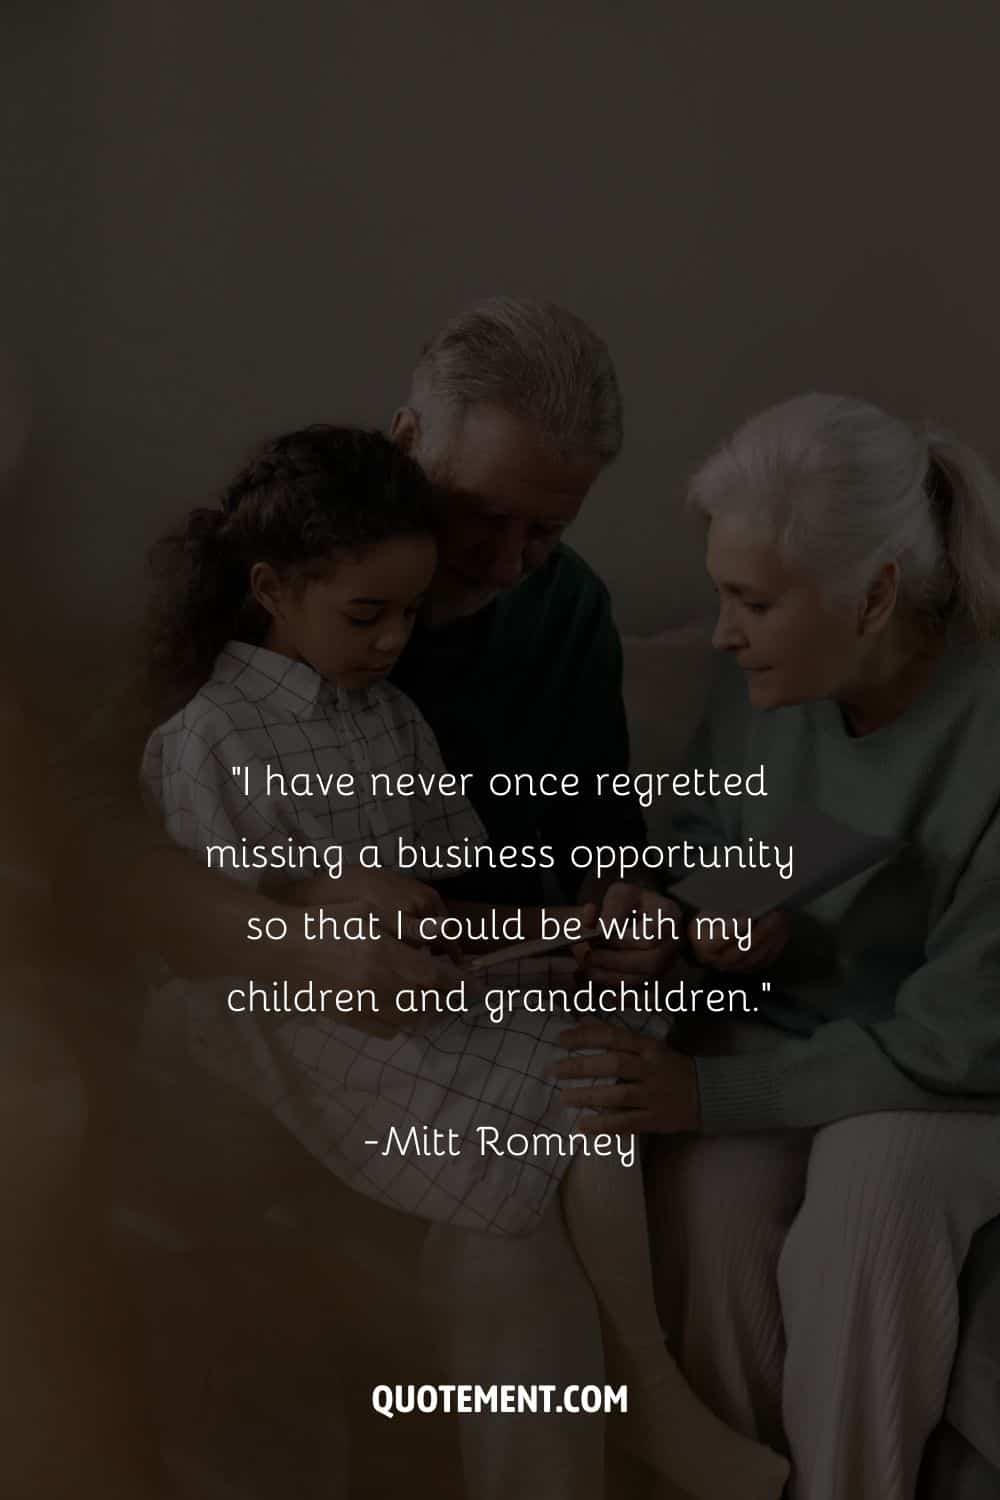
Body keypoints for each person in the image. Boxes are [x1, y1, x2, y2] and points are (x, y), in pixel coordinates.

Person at [141, 421, 789, 1500]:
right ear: (269, 587)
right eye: (368, 615)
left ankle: (651, 1391)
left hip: (429, 981)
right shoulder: (206, 736)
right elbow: (214, 919)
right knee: (539, 1165)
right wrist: (325, 901)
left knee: (596, 1064)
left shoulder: (389, 716)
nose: (397, 640)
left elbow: (459, 877)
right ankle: (654, 1397)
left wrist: (565, 923)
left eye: (407, 612)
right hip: (305, 1018)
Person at [551, 392, 1000, 1500]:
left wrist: (706, 1094)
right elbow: (710, 832)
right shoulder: (764, 682)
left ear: (875, 594)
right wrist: (685, 919)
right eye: (720, 596)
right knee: (708, 1201)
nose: (719, 631)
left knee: (871, 1180)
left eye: (750, 601)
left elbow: (959, 1042)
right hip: (795, 1041)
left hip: (957, 1080)